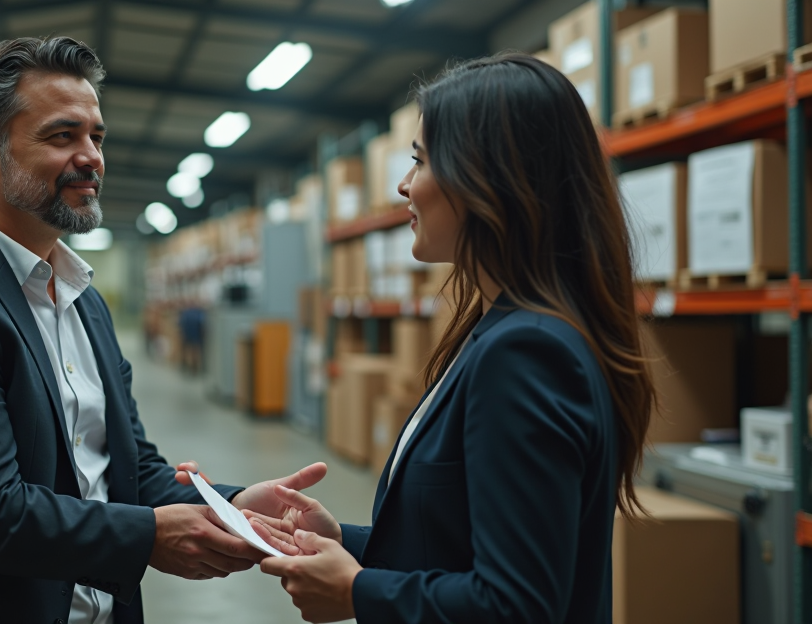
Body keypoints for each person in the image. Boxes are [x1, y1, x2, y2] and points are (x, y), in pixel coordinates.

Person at [0, 36, 327, 624]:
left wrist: (230, 507)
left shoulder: (83, 300)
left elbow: (126, 468)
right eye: (62, 136)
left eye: (96, 137)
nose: (92, 157)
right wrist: (149, 535)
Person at [244, 53, 656, 623]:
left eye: (420, 161)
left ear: (491, 177)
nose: (404, 185)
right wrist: (342, 541)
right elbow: (461, 546)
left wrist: (356, 592)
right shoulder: (504, 331)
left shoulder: (527, 352)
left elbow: (519, 607)